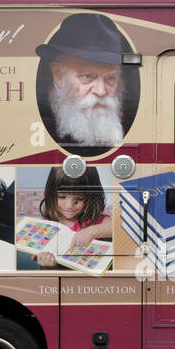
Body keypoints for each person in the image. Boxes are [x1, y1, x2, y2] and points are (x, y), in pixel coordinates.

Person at [35, 14, 131, 153]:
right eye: (88, 76)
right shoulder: (43, 120)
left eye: (110, 78)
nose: (101, 91)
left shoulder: (128, 123)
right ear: (58, 74)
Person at [35, 167, 112, 269]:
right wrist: (47, 264)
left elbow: (120, 226)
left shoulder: (94, 221)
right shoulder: (46, 226)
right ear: (50, 194)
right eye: (62, 197)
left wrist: (94, 230)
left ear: (91, 197)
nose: (69, 206)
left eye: (78, 199)